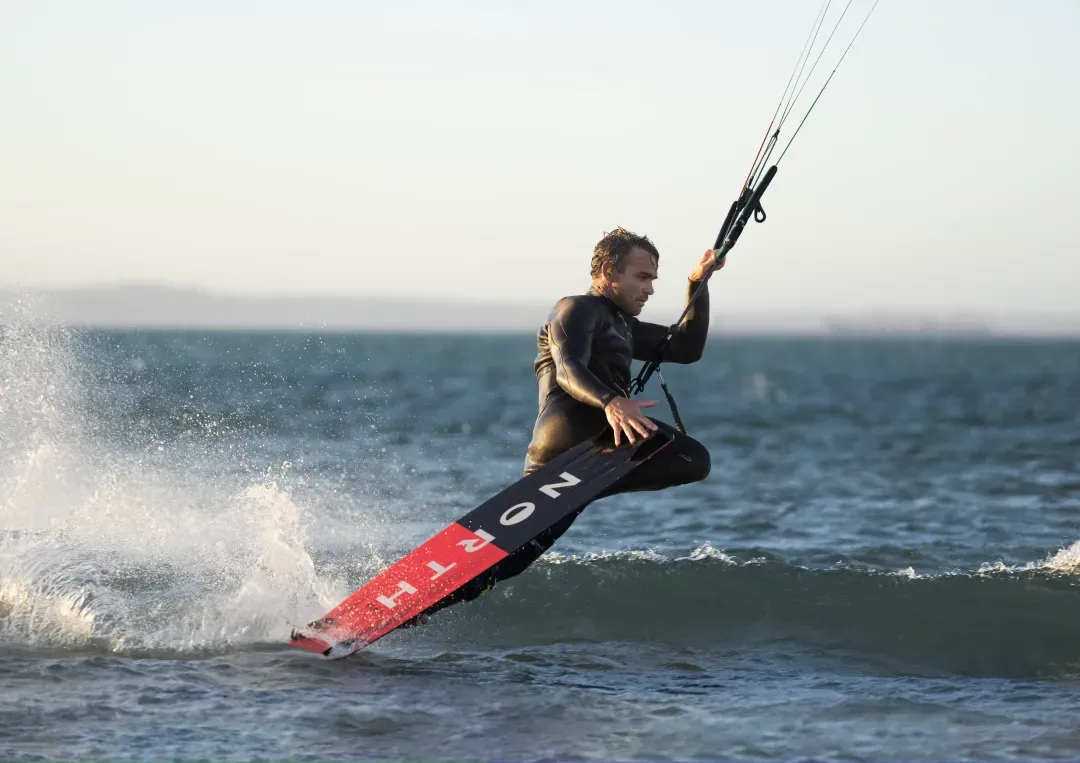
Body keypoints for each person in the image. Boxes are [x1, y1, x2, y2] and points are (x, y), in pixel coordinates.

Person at [403, 227, 718, 625]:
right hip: (563, 443)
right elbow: (568, 370)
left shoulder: (624, 326)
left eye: (653, 279)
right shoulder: (576, 309)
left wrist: (697, 283)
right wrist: (611, 402)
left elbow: (686, 348)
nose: (650, 289)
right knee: (689, 456)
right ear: (609, 271)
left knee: (514, 559)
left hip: (597, 450)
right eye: (642, 277)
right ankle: (413, 601)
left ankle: (417, 607)